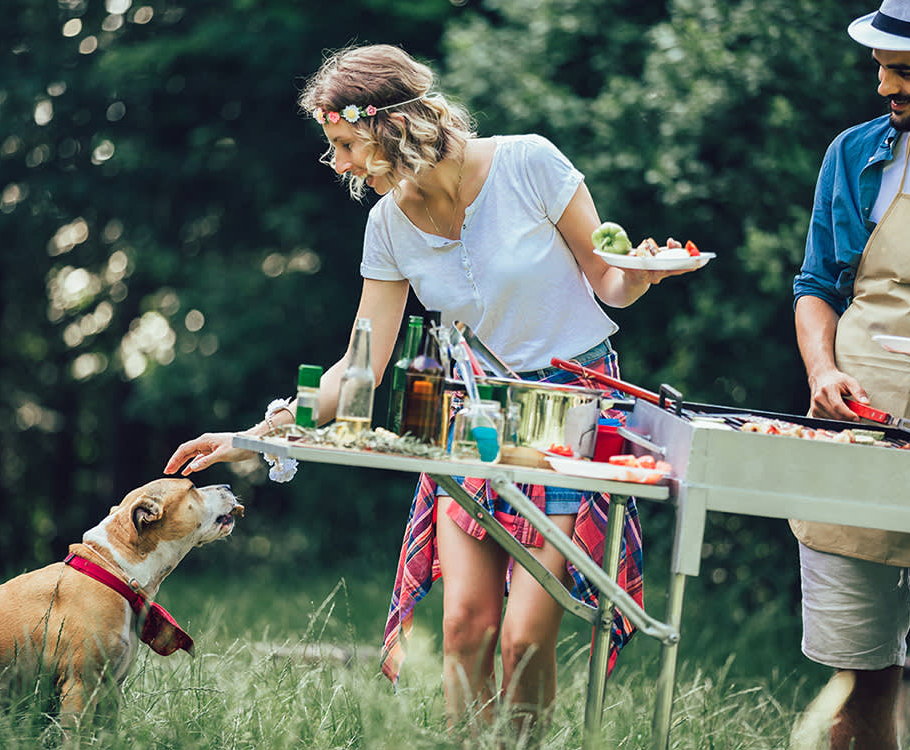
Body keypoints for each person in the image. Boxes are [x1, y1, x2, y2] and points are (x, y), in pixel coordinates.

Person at [165, 43, 694, 742]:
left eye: (346, 144)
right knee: (465, 626)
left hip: (571, 416)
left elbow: (609, 282)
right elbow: (362, 365)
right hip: (471, 415)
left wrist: (643, 272)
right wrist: (254, 435)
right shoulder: (386, 226)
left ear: (391, 127)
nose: (341, 165)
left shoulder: (529, 163)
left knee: (525, 637)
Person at [792, 2, 910, 748]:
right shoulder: (856, 153)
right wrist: (823, 368)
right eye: (882, 70)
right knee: (864, 672)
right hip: (859, 428)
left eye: (904, 73)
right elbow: (817, 285)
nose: (885, 89)